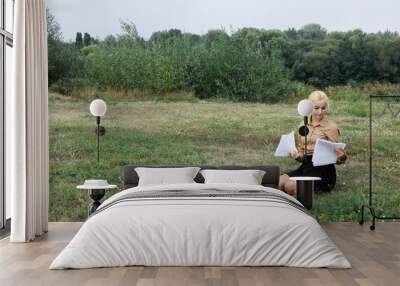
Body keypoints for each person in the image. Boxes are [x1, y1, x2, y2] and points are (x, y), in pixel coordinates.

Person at [279, 91, 347, 195]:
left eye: (323, 108)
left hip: (323, 170)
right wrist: (297, 156)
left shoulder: (331, 127)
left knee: (289, 186)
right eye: (316, 108)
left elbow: (337, 158)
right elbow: (302, 153)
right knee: (277, 182)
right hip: (306, 167)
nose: (320, 112)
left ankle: (296, 200)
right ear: (310, 107)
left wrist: (342, 157)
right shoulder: (303, 125)